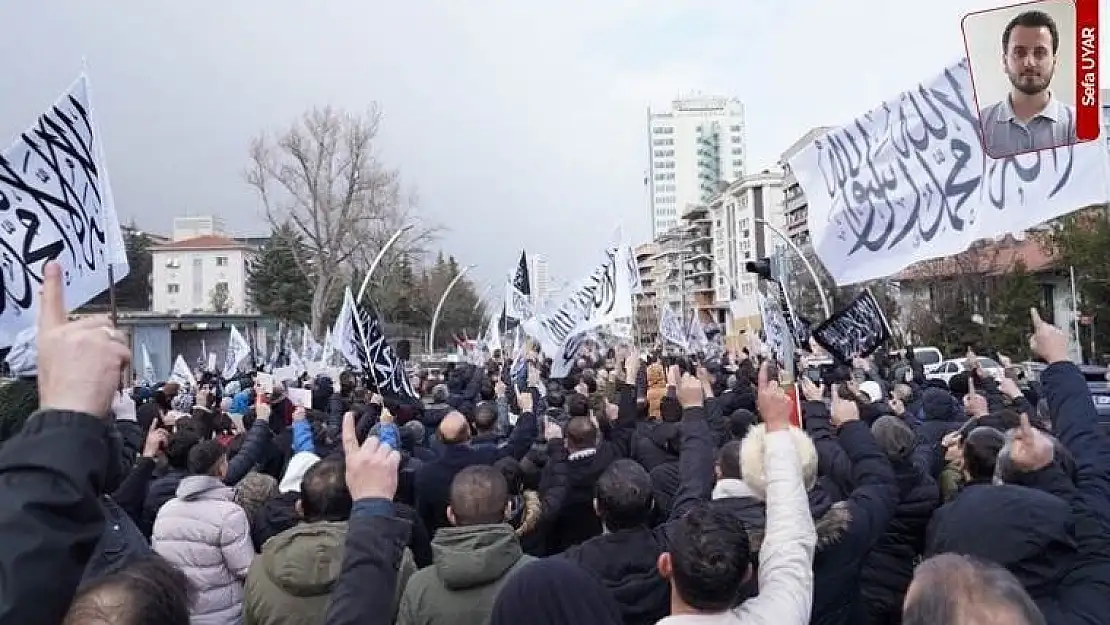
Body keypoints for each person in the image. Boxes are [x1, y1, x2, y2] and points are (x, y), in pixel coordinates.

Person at [978, 10, 1077, 157]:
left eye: (1040, 52)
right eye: (1019, 52)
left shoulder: (1078, 125)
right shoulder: (979, 125)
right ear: (1005, 62)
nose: (1029, 62)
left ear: (1054, 62)